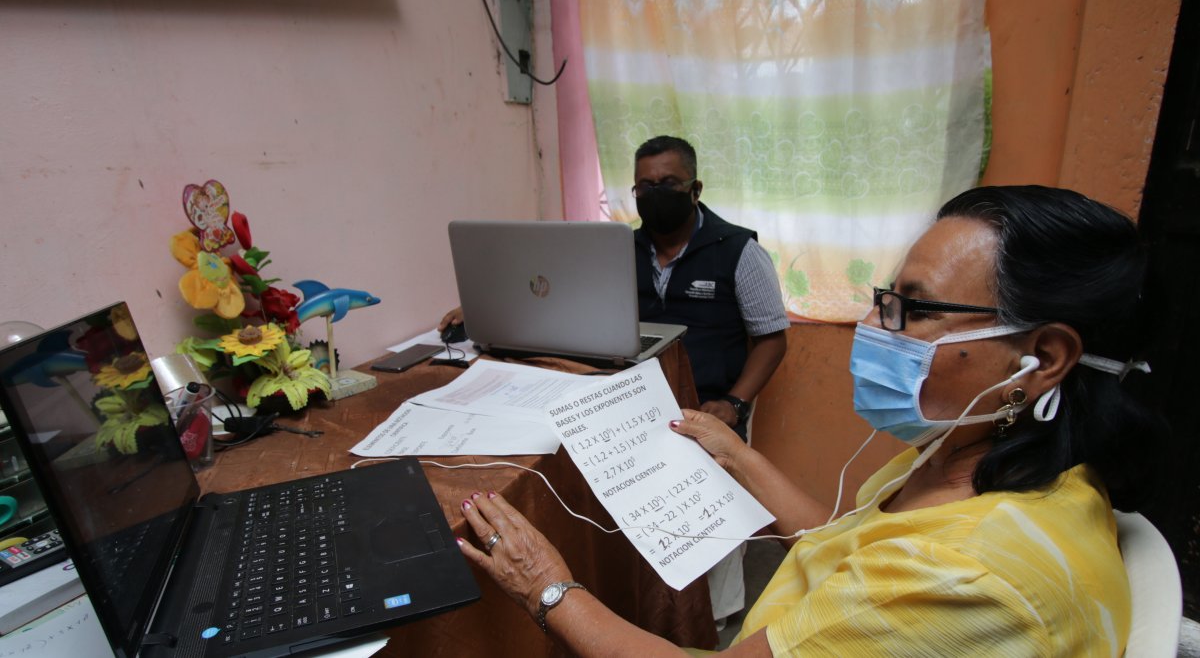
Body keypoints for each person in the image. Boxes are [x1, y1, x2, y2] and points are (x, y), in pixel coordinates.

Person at [450, 185, 1167, 656]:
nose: (873, 328)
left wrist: (545, 583)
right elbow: (842, 541)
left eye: (910, 310)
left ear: (1043, 357)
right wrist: (737, 454)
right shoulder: (991, 456)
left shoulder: (967, 575)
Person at [439, 135, 789, 438]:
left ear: (695, 190)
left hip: (704, 407)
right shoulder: (613, 250)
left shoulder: (738, 251)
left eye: (668, 184)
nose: (656, 195)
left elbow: (771, 339)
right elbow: (559, 303)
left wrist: (735, 403)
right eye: (646, 187)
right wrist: (480, 307)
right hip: (624, 402)